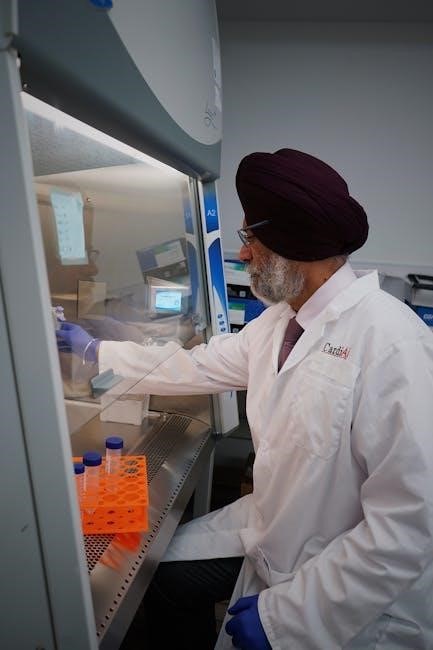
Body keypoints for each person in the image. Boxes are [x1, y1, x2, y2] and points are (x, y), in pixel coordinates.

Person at [57, 148, 433, 649]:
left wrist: (291, 618)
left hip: (350, 587)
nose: (243, 255)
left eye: (250, 238)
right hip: (276, 529)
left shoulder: (392, 342)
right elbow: (196, 365)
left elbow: (409, 525)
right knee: (162, 577)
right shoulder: (280, 322)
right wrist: (97, 351)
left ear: (293, 242)